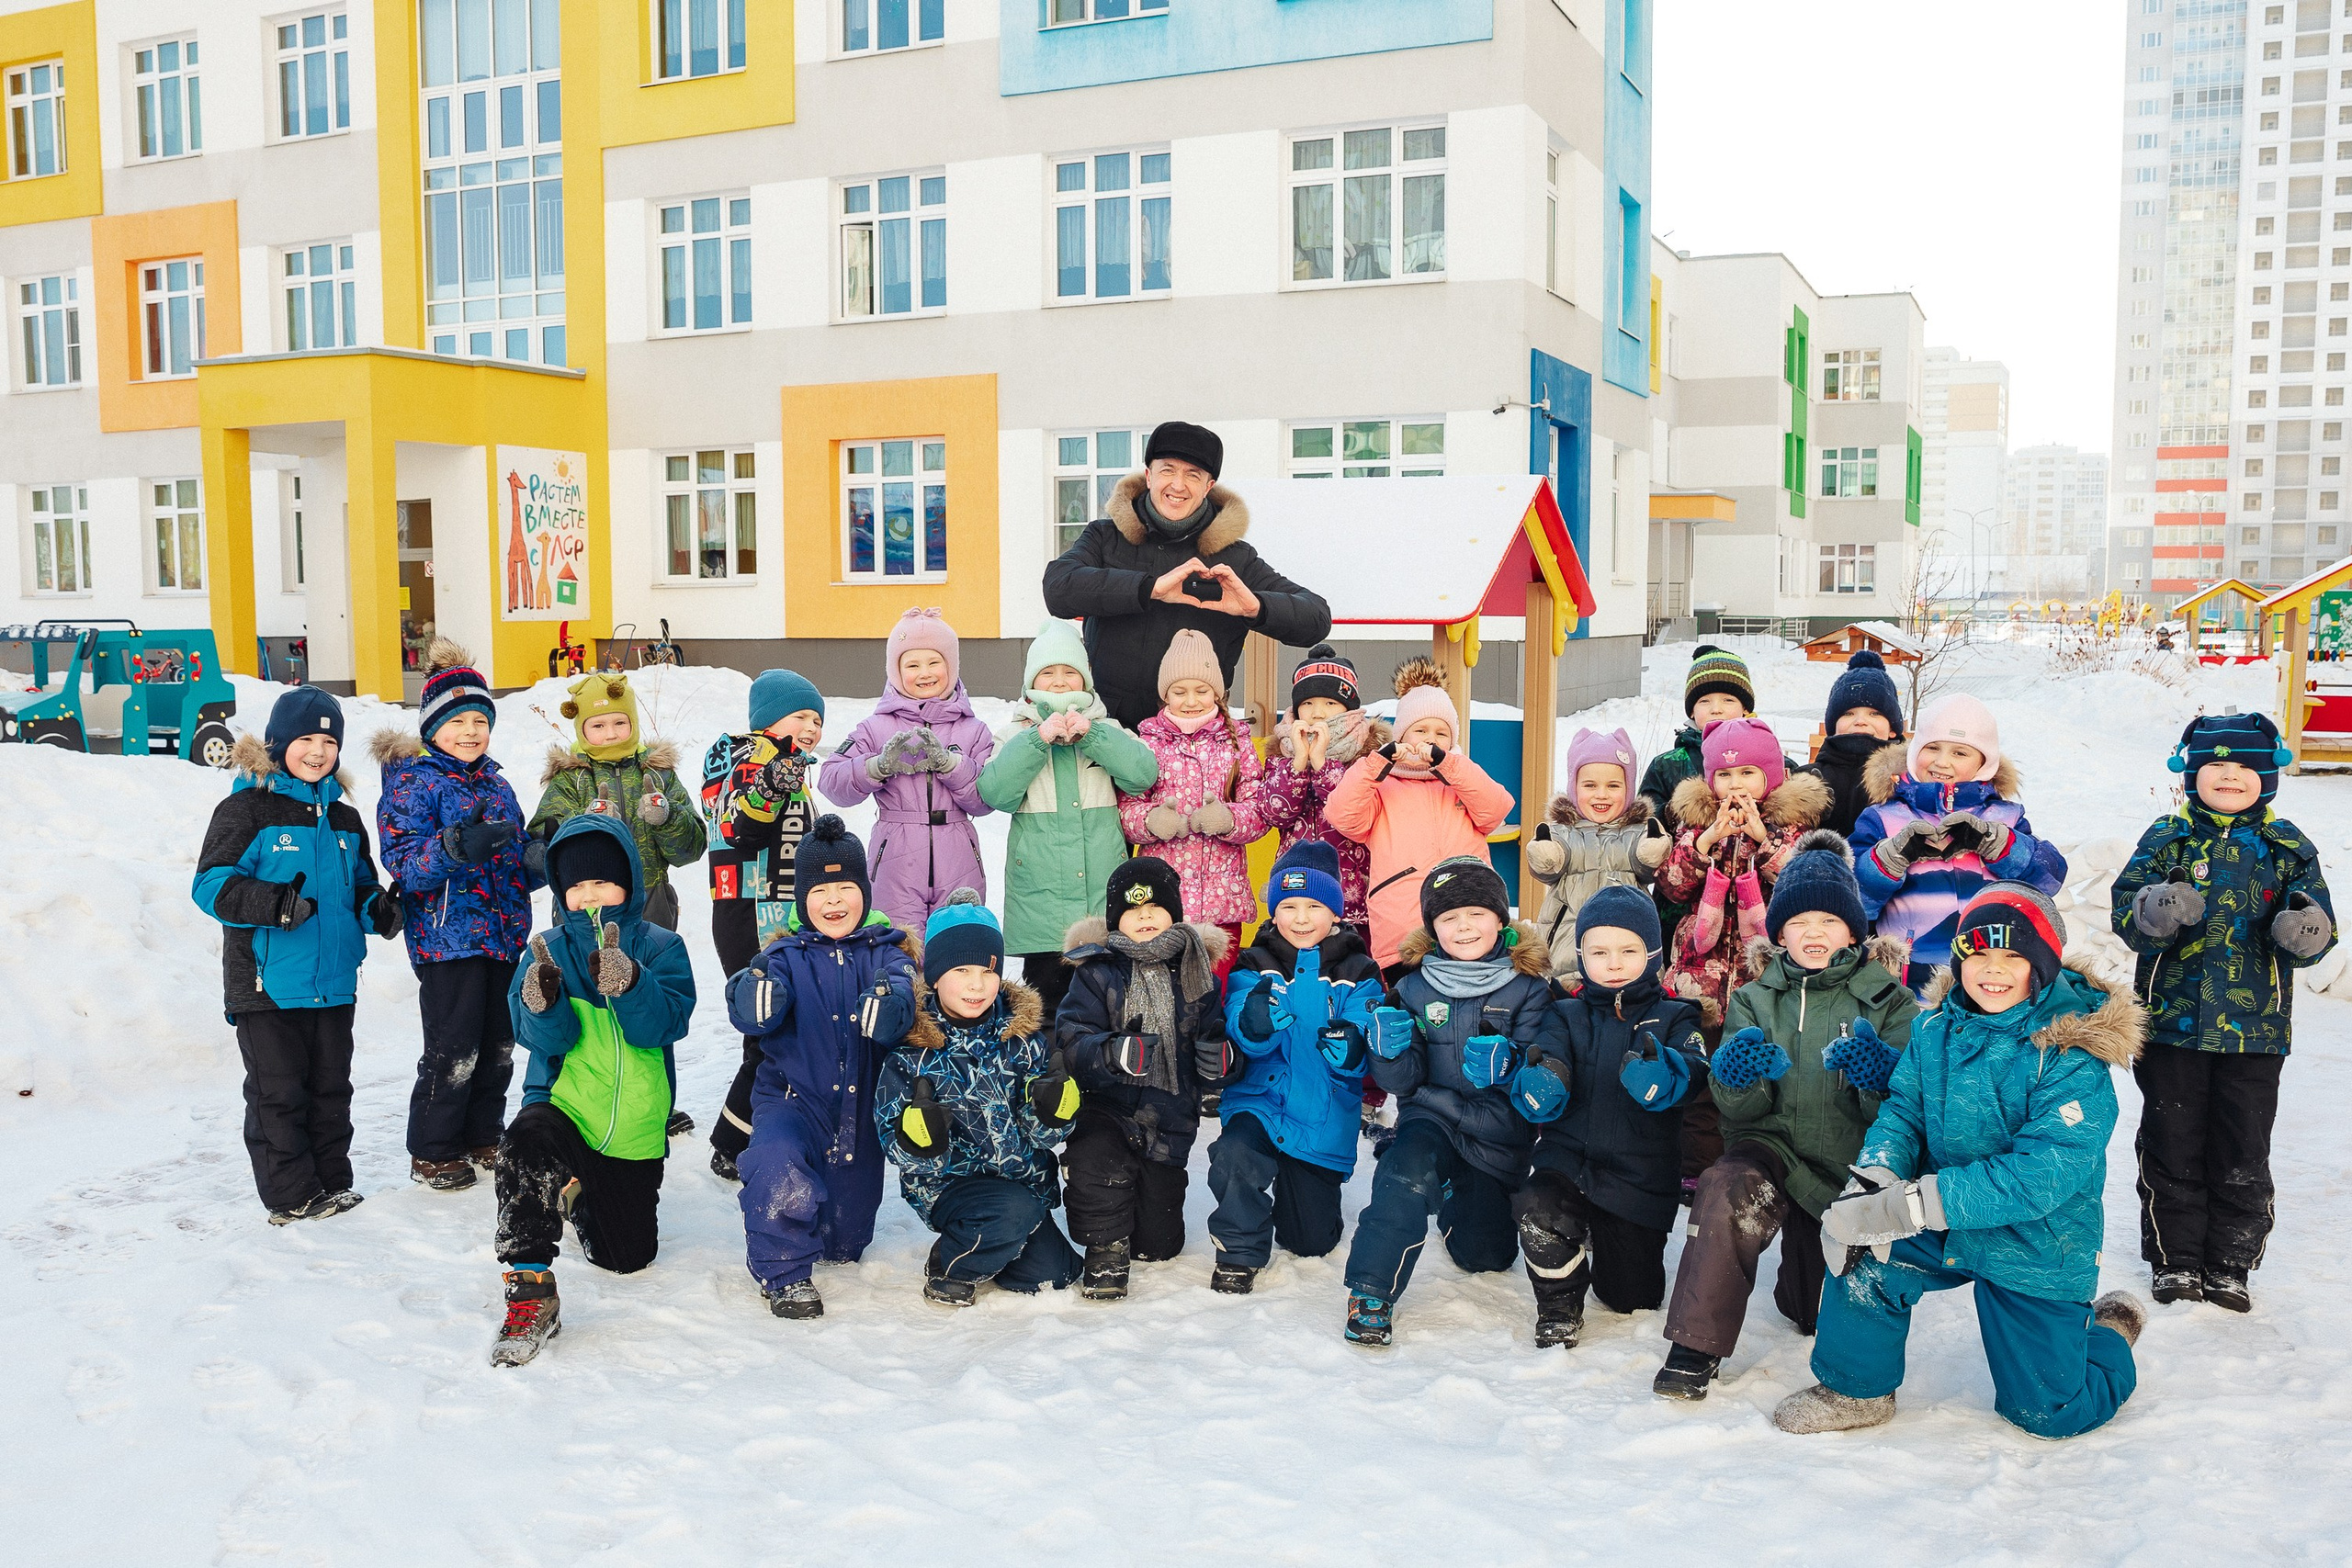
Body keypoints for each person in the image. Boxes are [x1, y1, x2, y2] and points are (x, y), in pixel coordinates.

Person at [1775, 883, 2148, 1438]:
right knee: (1865, 1246)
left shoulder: (2072, 1054)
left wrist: (1916, 1204)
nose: (1992, 970)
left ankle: (2111, 1332)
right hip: (1943, 1220)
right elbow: (1904, 1112)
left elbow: (2042, 1174)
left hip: (2036, 1238)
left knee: (2048, 1414)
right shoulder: (1933, 1031)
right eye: (1978, 952)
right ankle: (1855, 1390)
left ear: (2042, 965)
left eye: (2013, 955)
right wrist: (1875, 1179)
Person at [1654, 831, 1917, 1399]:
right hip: (1773, 1152)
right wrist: (1736, 1078)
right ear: (1779, 933)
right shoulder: (1755, 998)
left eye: (1829, 921)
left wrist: (1878, 1077)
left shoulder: (1892, 1002)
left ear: (1854, 930)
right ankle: (1693, 1347)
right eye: (1799, 922)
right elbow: (1738, 1115)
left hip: (1851, 1168)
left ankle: (1806, 1263)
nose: (1813, 933)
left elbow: (1904, 1114)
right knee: (1726, 1185)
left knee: (1808, 1312)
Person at [2112, 711, 2336, 1312]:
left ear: (2269, 775)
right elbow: (2126, 913)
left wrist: (2303, 929)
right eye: (2215, 765)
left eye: (2244, 767)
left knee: (2243, 1148)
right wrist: (2156, 907)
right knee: (2172, 1141)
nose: (2229, 776)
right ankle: (2175, 1259)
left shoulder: (2286, 845)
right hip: (2171, 1027)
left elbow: (2321, 928)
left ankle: (2231, 1262)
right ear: (2191, 773)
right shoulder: (2168, 837)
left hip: (2256, 1034)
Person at [491, 814, 696, 1366]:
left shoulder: (662, 947)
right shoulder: (545, 950)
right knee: (526, 1143)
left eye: (602, 881)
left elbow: (663, 1026)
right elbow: (545, 1040)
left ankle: (578, 1195)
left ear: (628, 879)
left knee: (626, 1258)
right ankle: (531, 1289)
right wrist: (541, 1002)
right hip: (563, 1109)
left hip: (633, 1130)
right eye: (576, 885)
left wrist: (631, 982)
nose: (588, 896)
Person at [192, 688, 401, 1224]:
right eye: (306, 739)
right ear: (278, 743)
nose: (318, 751)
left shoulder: (345, 819)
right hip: (268, 984)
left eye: (329, 742)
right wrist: (273, 903)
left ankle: (331, 1182)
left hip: (333, 982)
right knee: (279, 1094)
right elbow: (210, 885)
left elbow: (360, 888)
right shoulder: (247, 809)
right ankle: (290, 1195)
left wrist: (379, 910)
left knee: (331, 1090)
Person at [1340, 858, 1563, 1346]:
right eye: (1449, 917)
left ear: (1500, 919)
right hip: (1432, 1116)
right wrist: (1388, 1051)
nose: (1464, 927)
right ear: (1432, 927)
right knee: (1404, 1172)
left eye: (1476, 914)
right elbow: (1403, 1081)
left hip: (1497, 1135)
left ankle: (1451, 1197)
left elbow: (1545, 1073)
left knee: (1485, 1256)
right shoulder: (1413, 986)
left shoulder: (1531, 989)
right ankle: (1371, 1291)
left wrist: (1511, 1067)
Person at [724, 816, 919, 1319]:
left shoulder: (887, 953)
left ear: (865, 893)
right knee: (776, 1163)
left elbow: (904, 991)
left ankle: (830, 1231)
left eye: (846, 888)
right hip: (793, 1102)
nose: (834, 901)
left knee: (843, 1243)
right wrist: (753, 996)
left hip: (859, 1113)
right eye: (820, 891)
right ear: (801, 899)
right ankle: (783, 1273)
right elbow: (749, 999)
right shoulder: (784, 956)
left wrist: (892, 1008)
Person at [374, 639, 546, 1191]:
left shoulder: (498, 783)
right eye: (457, 721)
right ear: (432, 727)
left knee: (499, 1046)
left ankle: (483, 1134)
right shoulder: (413, 783)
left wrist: (539, 861)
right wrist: (452, 847)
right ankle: (433, 1148)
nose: (470, 731)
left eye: (480, 721)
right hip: (447, 940)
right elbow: (404, 864)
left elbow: (514, 859)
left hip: (503, 935)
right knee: (455, 1048)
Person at [1040, 420, 1332, 730]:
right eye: (1168, 470)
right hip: (1107, 729)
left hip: (1197, 739)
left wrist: (1255, 607)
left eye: (1193, 475)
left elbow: (1316, 618)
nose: (1178, 485)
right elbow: (1057, 588)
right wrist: (1148, 588)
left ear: (1208, 486)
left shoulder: (1235, 558)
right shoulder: (1105, 537)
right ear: (1149, 476)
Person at [1514, 886, 1708, 1349]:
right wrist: (1543, 1081)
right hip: (1569, 1163)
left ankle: (1605, 1239)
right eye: (1600, 952)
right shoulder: (1564, 1013)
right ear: (1582, 956)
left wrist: (1667, 1075)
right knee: (1537, 1206)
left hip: (1639, 1176)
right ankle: (1559, 1305)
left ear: (1653, 953)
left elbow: (1695, 1068)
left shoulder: (1677, 1016)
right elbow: (1546, 1054)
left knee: (1631, 1298)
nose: (1614, 963)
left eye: (1628, 950)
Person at [876, 896, 1082, 1306]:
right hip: (951, 1187)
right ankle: (951, 1264)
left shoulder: (1022, 1040)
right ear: (935, 977)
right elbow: (893, 1140)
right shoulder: (910, 1053)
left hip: (1022, 1184)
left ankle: (996, 1240)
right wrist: (921, 1139)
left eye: (988, 971)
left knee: (1056, 1274)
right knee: (1010, 1214)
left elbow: (1042, 1137)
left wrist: (1052, 1112)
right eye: (961, 971)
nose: (976, 985)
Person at [1654, 716, 1830, 1188]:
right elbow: (1672, 887)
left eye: (1748, 773)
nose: (1736, 785)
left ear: (1771, 776)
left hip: (1765, 979)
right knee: (1701, 1080)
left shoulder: (1792, 828)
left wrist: (1763, 841)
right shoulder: (1694, 825)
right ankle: (1696, 1171)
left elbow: (1804, 884)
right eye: (1725, 775)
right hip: (1700, 975)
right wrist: (1704, 842)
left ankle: (1751, 1167)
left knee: (1756, 1075)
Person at [1054, 855, 1233, 1300]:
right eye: (1133, 910)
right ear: (1115, 920)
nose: (1145, 916)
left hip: (1170, 1116)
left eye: (1155, 907)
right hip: (1107, 1106)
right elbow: (1072, 1040)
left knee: (1158, 1246)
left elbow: (1216, 1035)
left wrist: (1222, 1061)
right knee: (1096, 1161)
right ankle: (1105, 1249)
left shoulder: (1197, 974)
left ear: (1176, 913)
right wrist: (1111, 1053)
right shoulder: (1096, 972)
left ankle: (1140, 1216)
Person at [1209, 842, 1385, 1294]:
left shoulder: (1359, 968)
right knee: (1235, 1155)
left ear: (1336, 911)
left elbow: (1368, 1029)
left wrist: (1352, 1047)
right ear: (1273, 911)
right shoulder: (1255, 961)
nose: (1301, 919)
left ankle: (1298, 1192)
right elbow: (1238, 1020)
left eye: (1314, 906)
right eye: (1288, 906)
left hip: (1319, 1113)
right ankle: (1238, 1250)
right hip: (1261, 1101)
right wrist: (1254, 1022)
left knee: (1310, 1241)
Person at [978, 617, 1159, 1023]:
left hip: (1101, 898)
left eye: (1069, 672)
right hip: (1041, 903)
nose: (1059, 681)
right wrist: (1036, 740)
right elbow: (996, 792)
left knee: (1109, 1004)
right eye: (1048, 672)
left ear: (1086, 679)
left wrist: (1093, 736)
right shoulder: (1014, 734)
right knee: (1048, 1010)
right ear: (1030, 681)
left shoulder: (1108, 728)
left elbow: (1142, 774)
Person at [1851, 694, 2066, 995]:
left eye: (1960, 753)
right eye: (1932, 748)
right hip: (1913, 971)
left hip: (1992, 969)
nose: (1942, 762)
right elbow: (1855, 899)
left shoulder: (2005, 817)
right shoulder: (1883, 818)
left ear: (1984, 763)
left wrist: (1999, 845)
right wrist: (1889, 859)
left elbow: (2047, 879)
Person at [700, 669, 827, 1179]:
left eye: (818, 720)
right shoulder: (746, 754)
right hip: (750, 910)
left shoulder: (787, 763)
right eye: (801, 716)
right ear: (768, 719)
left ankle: (761, 1129)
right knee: (768, 1027)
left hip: (783, 912)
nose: (812, 728)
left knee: (779, 1023)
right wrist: (771, 786)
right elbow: (740, 827)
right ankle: (733, 1142)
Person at [1324, 659, 1516, 976]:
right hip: (1403, 924)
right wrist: (1375, 764)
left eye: (1441, 733)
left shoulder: (1462, 778)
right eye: (1421, 730)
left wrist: (1450, 766)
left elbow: (1495, 810)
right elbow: (1343, 815)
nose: (1431, 739)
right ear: (1402, 736)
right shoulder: (1382, 783)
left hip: (1467, 920)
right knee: (1410, 1000)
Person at [819, 607, 995, 931]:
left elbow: (985, 800)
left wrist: (952, 765)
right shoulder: (875, 727)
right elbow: (831, 781)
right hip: (895, 860)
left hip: (958, 857)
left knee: (957, 945)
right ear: (896, 671)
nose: (924, 673)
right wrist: (876, 767)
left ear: (951, 665)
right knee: (898, 947)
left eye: (934, 662)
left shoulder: (974, 730)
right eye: (912, 665)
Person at [1116, 629, 1269, 976]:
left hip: (1222, 900)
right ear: (1164, 695)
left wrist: (1228, 819)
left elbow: (1259, 810)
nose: (1191, 701)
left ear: (1217, 692)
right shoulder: (1146, 744)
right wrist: (1150, 821)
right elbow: (1126, 809)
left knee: (1216, 989)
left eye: (1201, 691)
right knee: (1166, 988)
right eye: (1179, 691)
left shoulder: (1237, 743)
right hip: (1161, 901)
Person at [527, 669, 706, 934]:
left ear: (633, 722)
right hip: (585, 907)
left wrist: (668, 818)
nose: (611, 734)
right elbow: (543, 845)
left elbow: (690, 851)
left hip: (650, 903)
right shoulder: (570, 778)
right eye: (598, 725)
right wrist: (585, 823)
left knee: (649, 961)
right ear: (581, 728)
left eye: (620, 723)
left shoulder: (658, 772)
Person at [1260, 645, 1389, 939]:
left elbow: (1358, 814)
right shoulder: (1281, 753)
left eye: (1330, 703)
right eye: (1308, 703)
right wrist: (1298, 764)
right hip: (1298, 893)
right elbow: (1274, 813)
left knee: (1354, 959)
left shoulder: (1368, 754)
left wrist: (1322, 764)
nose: (1317, 712)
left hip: (1354, 893)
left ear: (1348, 707)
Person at [1526, 727, 1669, 985]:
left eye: (1613, 786)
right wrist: (1546, 855)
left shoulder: (1637, 831)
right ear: (1574, 787)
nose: (1601, 794)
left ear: (1628, 788)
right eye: (1590, 785)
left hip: (1626, 939)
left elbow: (1647, 867)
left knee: (1632, 987)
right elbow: (1549, 865)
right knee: (1567, 990)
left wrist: (1651, 851)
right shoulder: (1562, 831)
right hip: (1568, 943)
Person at [1812, 649, 1907, 837]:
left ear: (1892, 729)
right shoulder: (1810, 779)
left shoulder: (1908, 778)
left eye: (1875, 714)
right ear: (1833, 726)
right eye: (1848, 714)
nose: (1860, 721)